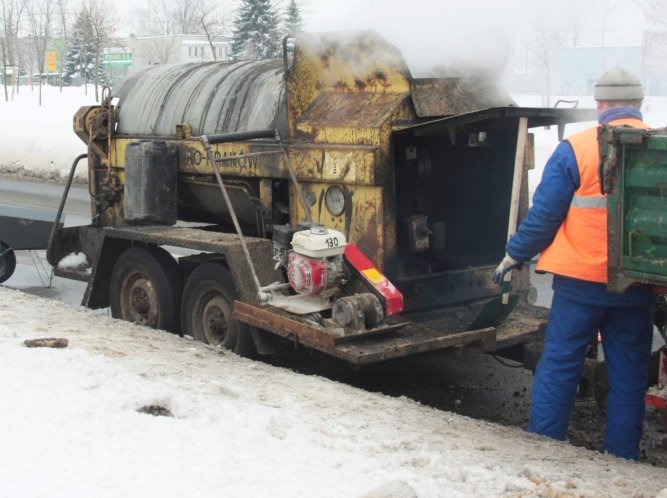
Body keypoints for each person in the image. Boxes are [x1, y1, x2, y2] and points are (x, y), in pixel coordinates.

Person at [492, 67, 655, 460]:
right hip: (635, 287)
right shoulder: (657, 149)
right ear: (639, 104)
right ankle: (622, 456)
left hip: (579, 284)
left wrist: (514, 254)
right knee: (630, 374)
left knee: (561, 365)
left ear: (599, 104)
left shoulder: (577, 149)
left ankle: (545, 447)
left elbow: (545, 216)